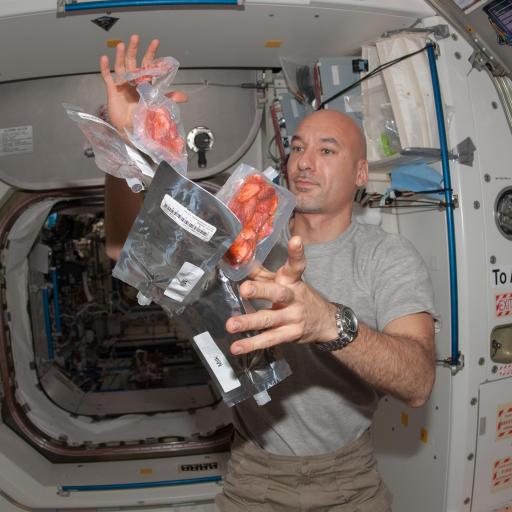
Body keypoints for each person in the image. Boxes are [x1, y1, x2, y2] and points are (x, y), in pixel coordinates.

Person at [100, 35, 436, 512]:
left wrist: (328, 323)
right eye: (297, 147)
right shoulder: (239, 237)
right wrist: (127, 146)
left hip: (349, 479)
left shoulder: (387, 256)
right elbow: (123, 248)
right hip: (254, 477)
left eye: (327, 150)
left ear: (362, 173)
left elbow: (418, 382)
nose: (304, 161)